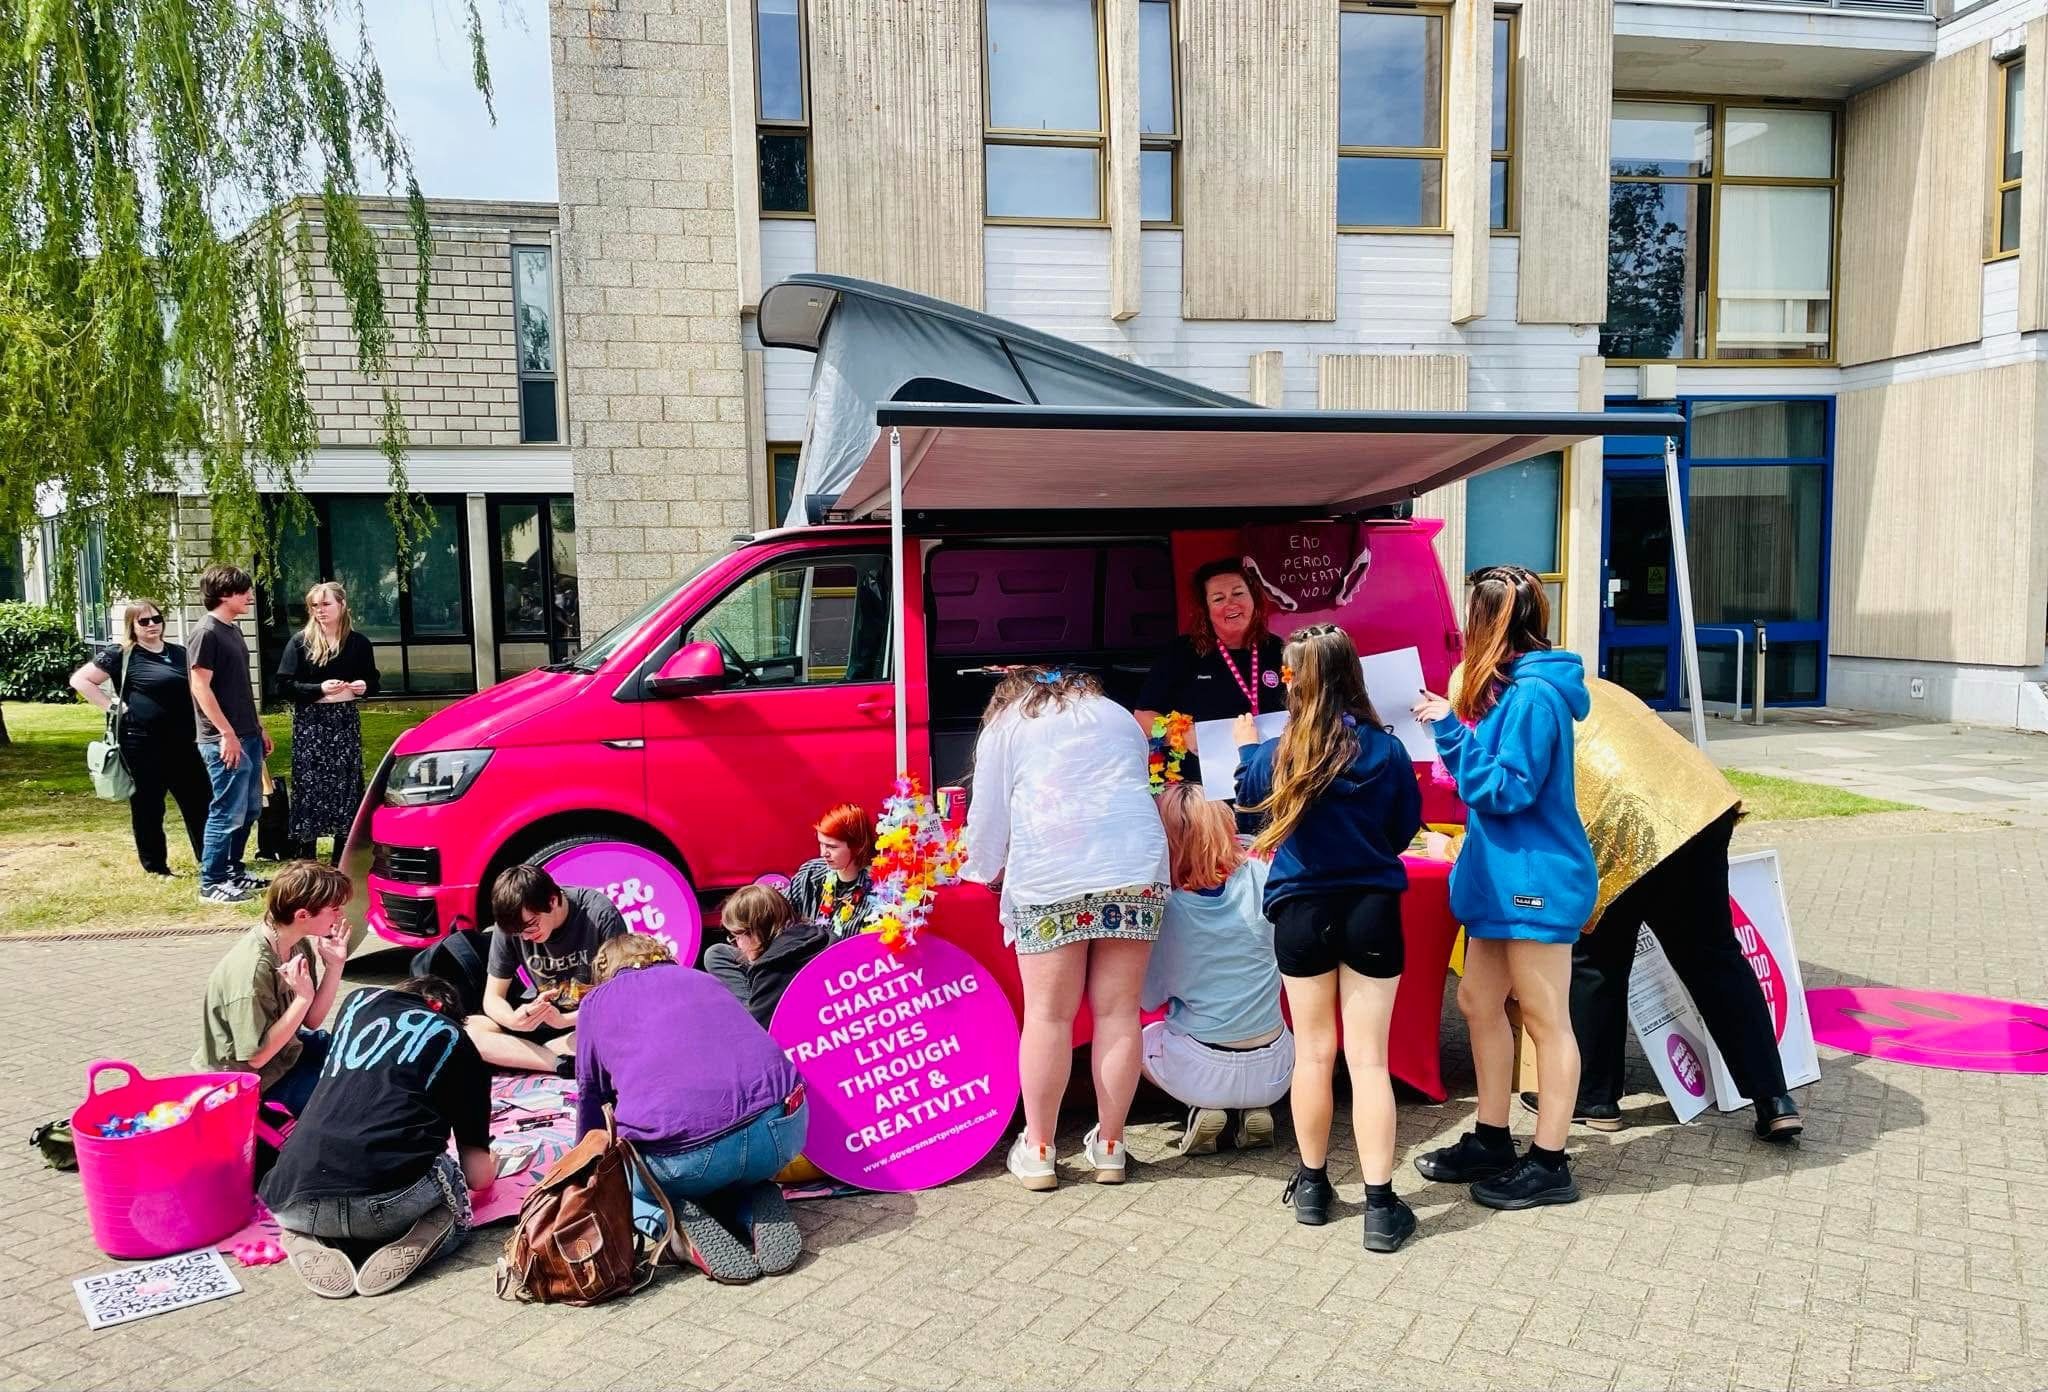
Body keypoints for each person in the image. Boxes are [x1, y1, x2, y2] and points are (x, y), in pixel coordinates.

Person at [1534, 677, 1803, 1141]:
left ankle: (1594, 1097)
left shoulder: (1518, 697)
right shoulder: (1589, 682)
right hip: (1697, 809)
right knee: (1715, 960)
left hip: (1626, 828)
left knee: (1595, 960)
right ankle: (1773, 1098)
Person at [1235, 624, 1423, 1252]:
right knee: (1368, 1060)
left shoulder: (1272, 755)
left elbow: (1250, 811)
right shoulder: (1386, 750)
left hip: (1299, 907)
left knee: (1313, 1053)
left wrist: (1244, 753)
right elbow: (1402, 831)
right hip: (1370, 905)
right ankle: (1378, 1205)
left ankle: (1313, 1187)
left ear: (1298, 681)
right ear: (1352, 675)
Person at [1412, 565, 1595, 1211]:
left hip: (1534, 879)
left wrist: (1448, 731)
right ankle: (1494, 1136)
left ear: (1487, 620)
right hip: (1502, 876)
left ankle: (1549, 1162)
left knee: (1546, 1019)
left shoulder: (1534, 697)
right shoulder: (1510, 690)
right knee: (1478, 1000)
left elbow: (1507, 789)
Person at [961, 667, 1168, 1192]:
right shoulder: (1118, 715)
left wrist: (981, 870)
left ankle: (1039, 1148)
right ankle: (1113, 1147)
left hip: (1053, 871)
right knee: (1119, 1012)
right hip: (1133, 868)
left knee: (1048, 1016)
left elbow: (986, 817)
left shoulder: (1008, 723)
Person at [576, 934, 809, 1282]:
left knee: (620, 1186)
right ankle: (749, 1200)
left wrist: (587, 1172)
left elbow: (590, 1094)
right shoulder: (701, 976)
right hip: (780, 1132)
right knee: (726, 1163)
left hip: (687, 1161)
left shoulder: (595, 1003)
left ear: (604, 970)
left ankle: (674, 1232)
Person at [260, 975, 496, 1299]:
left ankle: (304, 1235)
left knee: (336, 1187)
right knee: (449, 1172)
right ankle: (432, 1234)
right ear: (441, 1009)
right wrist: (491, 1159)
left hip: (292, 1197)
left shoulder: (356, 1003)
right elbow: (479, 1177)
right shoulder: (457, 1043)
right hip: (385, 1206)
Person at [1141, 784, 1294, 1159]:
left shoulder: (1168, 909)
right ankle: (1251, 1107)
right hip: (1278, 1064)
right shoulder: (1261, 876)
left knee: (1139, 1038)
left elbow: (1148, 997)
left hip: (1202, 1063)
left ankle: (1203, 1106)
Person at [195, 860, 352, 1115]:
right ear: (303, 915)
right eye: (334, 909)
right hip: (251, 1083)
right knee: (342, 1098)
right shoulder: (252, 971)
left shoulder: (297, 943)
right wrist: (302, 998)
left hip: (287, 1055)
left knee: (360, 1055)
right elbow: (255, 1058)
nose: (340, 915)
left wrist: (334, 966)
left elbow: (311, 1020)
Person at [68, 600, 210, 877]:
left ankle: (208, 860)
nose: (152, 625)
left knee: (198, 800)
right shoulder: (122, 654)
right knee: (149, 805)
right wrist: (113, 706)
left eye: (156, 619)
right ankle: (155, 866)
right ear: (132, 625)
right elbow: (81, 680)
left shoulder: (179, 653)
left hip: (183, 741)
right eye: (143, 622)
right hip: (142, 742)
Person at [1133, 559, 1288, 781]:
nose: (1231, 604)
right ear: (1205, 609)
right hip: (1203, 789)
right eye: (1218, 599)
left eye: (1238, 593)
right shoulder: (1182, 653)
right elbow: (1143, 717)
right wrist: (1181, 733)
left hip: (1272, 778)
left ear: (1254, 598)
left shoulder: (1279, 650)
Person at [467, 863, 628, 1073]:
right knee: (469, 1029)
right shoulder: (513, 925)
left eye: (531, 925)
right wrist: (513, 1020)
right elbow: (493, 997)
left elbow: (621, 997)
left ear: (552, 901)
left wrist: (564, 1021)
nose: (525, 936)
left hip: (586, 1021)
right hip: (541, 1019)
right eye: (517, 933)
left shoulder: (599, 915)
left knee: (617, 1034)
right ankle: (558, 1063)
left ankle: (533, 1055)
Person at [188, 563, 274, 904]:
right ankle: (211, 881)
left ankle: (234, 870)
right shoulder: (205, 633)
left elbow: (240, 688)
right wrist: (227, 734)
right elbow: (200, 687)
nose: (250, 597)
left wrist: (258, 727)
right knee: (226, 810)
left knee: (251, 808)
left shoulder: (233, 630)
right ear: (225, 594)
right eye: (244, 591)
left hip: (247, 735)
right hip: (222, 740)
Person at [275, 582, 380, 858]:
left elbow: (373, 680)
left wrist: (362, 686)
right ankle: (306, 853)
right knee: (310, 785)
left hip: (344, 720)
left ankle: (342, 853)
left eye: (326, 604)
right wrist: (318, 689)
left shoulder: (358, 642)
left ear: (342, 605)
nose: (320, 611)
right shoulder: (301, 641)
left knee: (345, 783)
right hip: (312, 721)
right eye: (315, 606)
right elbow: (283, 685)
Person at [704, 884, 829, 1027]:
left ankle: (748, 1010)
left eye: (737, 937)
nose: (737, 944)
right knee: (716, 953)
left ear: (756, 932)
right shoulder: (820, 935)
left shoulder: (771, 972)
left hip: (782, 1021)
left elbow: (759, 1033)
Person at [785, 803, 872, 936]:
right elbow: (778, 912)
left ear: (858, 847)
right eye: (821, 844)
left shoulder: (877, 892)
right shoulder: (810, 873)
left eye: (832, 847)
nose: (823, 853)